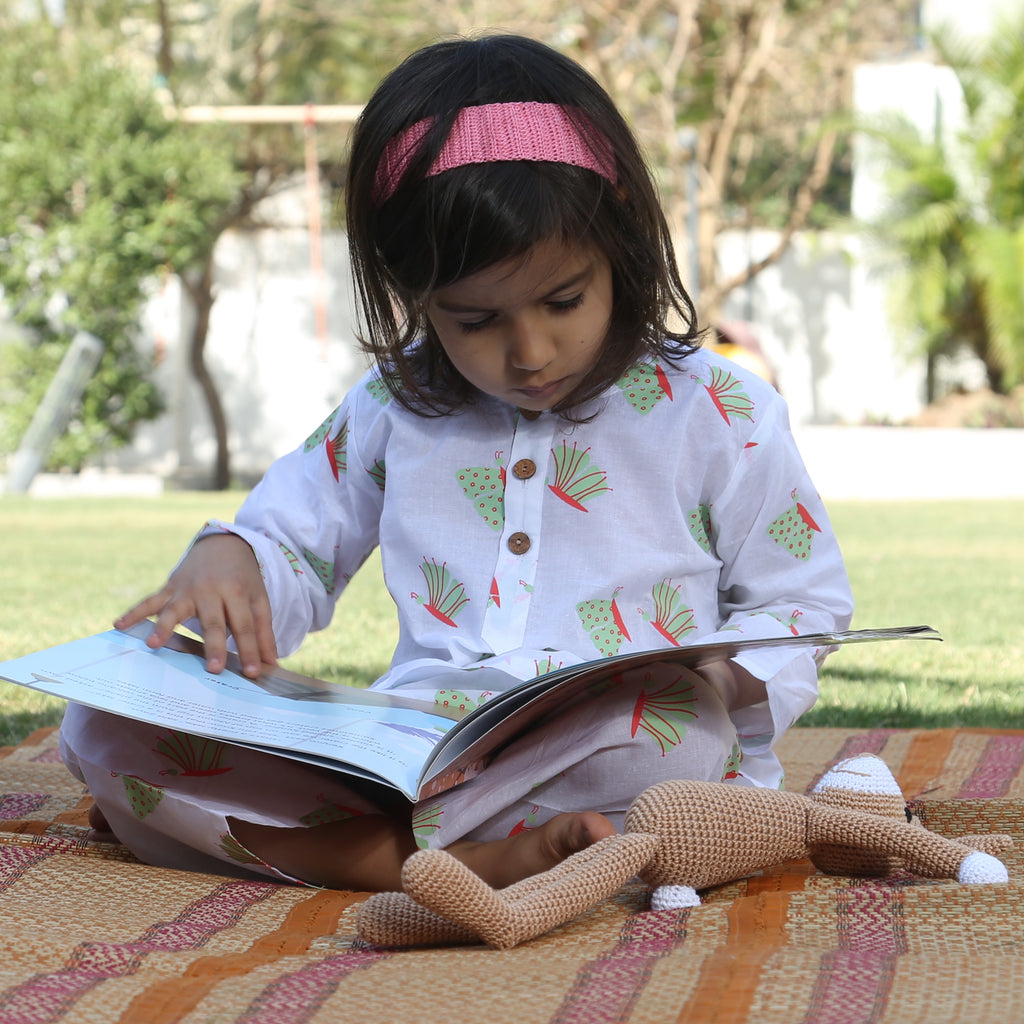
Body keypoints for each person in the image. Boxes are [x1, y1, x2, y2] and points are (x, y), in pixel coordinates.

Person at [59, 34, 853, 894]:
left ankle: (280, 843)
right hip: (413, 745)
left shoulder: (720, 411)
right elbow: (293, 544)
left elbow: (802, 602)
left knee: (666, 731)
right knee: (104, 714)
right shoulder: (395, 407)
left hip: (617, 749)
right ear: (414, 294)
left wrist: (719, 672)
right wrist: (235, 561)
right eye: (474, 319)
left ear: (619, 247)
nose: (530, 350)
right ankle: (466, 858)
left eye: (563, 300)